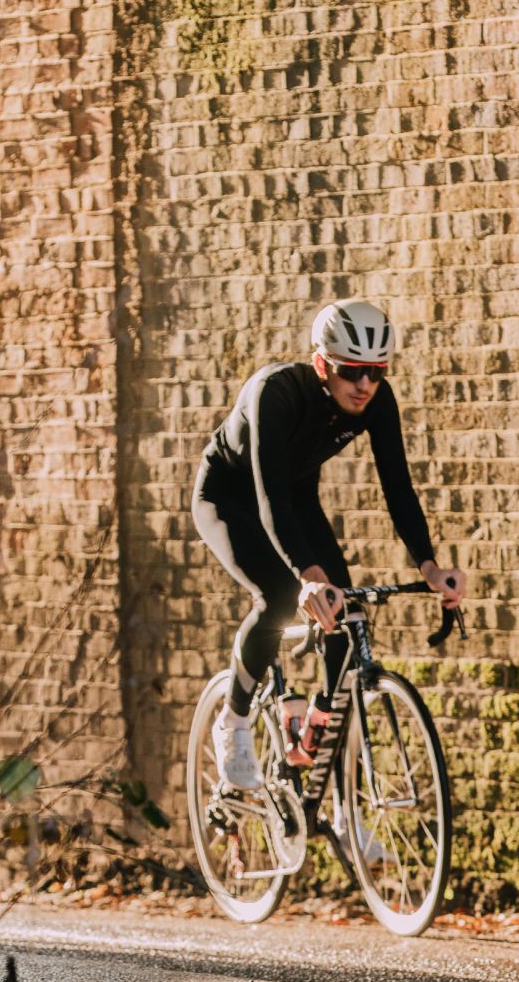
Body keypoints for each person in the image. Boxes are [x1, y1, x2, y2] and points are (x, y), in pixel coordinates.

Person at [192, 299, 465, 790]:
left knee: (344, 615)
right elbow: (267, 494)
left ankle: (323, 759)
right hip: (230, 497)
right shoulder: (275, 393)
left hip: (295, 500)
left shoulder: (376, 402)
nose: (364, 385)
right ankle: (232, 721)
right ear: (322, 364)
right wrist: (308, 578)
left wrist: (429, 566)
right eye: (351, 371)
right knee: (277, 597)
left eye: (376, 372)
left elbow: (398, 489)